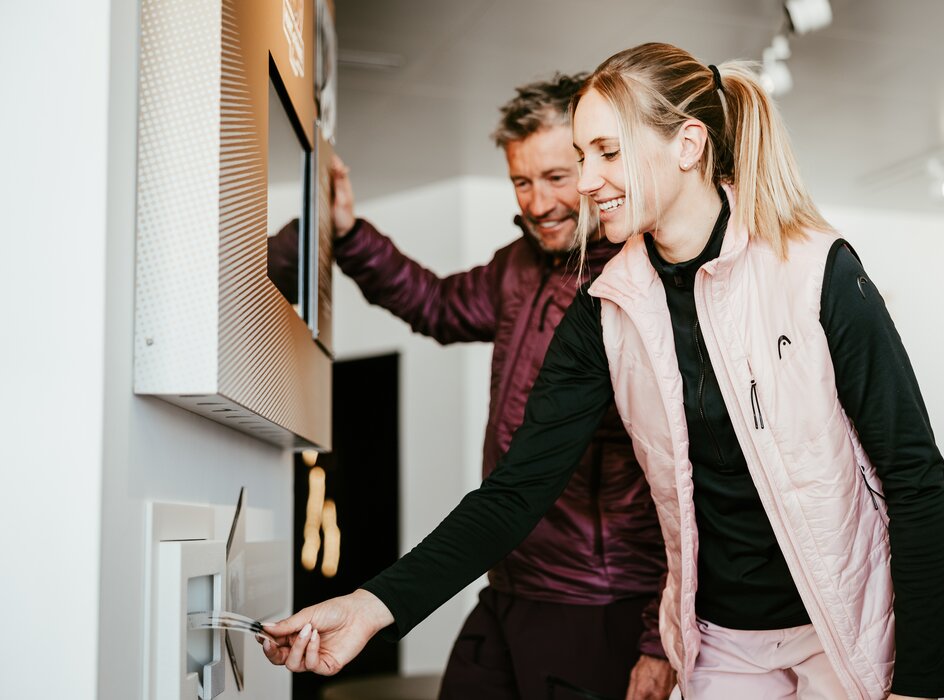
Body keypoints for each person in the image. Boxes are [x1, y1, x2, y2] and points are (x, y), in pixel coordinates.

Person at [262, 43, 944, 700]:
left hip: (838, 630)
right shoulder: (605, 308)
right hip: (722, 645)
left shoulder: (816, 271)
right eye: (581, 156)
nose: (588, 182)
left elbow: (914, 478)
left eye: (606, 153)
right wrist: (374, 605)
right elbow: (515, 493)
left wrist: (922, 680)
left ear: (688, 146)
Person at [268, 73, 673, 700]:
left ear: (595, 168)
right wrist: (349, 235)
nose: (538, 203)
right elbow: (435, 304)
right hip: (508, 575)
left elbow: (682, 479)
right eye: (521, 181)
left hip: (596, 600)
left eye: (556, 177)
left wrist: (658, 635)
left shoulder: (635, 284)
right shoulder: (516, 266)